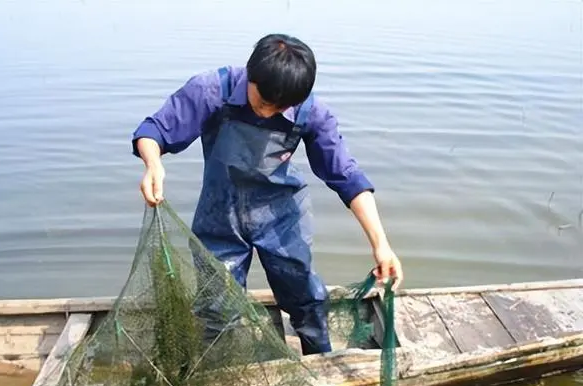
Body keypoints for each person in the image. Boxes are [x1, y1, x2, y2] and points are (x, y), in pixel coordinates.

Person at [131, 33, 403, 355]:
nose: (266, 113)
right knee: (217, 304)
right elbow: (154, 130)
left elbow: (346, 176)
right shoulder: (211, 89)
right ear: (251, 75)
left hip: (281, 215)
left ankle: (319, 358)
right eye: (262, 103)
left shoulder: (313, 112)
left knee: (304, 295)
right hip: (220, 212)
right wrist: (153, 163)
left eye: (280, 108)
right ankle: (219, 368)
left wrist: (381, 245)